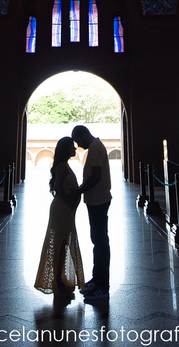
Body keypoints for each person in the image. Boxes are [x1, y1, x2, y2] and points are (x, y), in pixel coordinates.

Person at [34, 137, 84, 301]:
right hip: (62, 210)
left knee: (63, 246)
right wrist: (70, 201)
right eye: (72, 147)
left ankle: (61, 281)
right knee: (60, 246)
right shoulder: (62, 167)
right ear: (65, 149)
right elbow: (58, 189)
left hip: (66, 211)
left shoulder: (64, 165)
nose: (75, 149)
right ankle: (57, 283)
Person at [72, 125, 111, 303]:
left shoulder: (95, 148)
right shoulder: (96, 146)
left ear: (83, 135)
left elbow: (95, 176)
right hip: (96, 200)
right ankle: (97, 280)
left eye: (78, 141)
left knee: (100, 242)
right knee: (98, 241)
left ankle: (102, 286)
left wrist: (78, 191)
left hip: (98, 200)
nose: (78, 146)